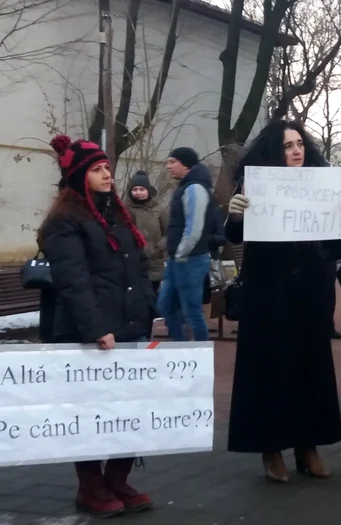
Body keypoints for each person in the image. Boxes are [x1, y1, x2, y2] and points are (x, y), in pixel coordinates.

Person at [225, 120, 341, 483]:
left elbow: (335, 247)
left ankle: (307, 445)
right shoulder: (257, 186)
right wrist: (235, 214)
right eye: (287, 146)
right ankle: (271, 449)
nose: (297, 150)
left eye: (300, 143)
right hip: (267, 292)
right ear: (272, 152)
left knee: (309, 368)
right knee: (269, 370)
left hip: (311, 292)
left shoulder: (322, 187)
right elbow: (236, 236)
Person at [38, 135, 155, 517]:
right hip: (90, 334)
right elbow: (72, 280)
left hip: (129, 328)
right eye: (98, 169)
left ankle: (117, 479)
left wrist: (146, 310)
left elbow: (138, 267)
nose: (108, 175)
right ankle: (90, 487)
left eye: (107, 168)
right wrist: (95, 328)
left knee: (131, 409)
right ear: (78, 177)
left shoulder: (120, 214)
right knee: (89, 413)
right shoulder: (64, 222)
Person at [157, 147, 218, 342]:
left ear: (186, 164)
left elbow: (194, 228)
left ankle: (200, 355)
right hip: (178, 260)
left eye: (172, 162)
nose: (168, 166)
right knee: (165, 305)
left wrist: (181, 253)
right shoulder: (186, 187)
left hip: (190, 260)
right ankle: (181, 347)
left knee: (192, 312)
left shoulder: (195, 189)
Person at [125, 170, 167, 337]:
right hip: (134, 264)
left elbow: (169, 232)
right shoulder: (125, 209)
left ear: (148, 190)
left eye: (142, 189)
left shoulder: (160, 209)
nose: (138, 193)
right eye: (135, 190)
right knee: (136, 304)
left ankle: (148, 336)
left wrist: (158, 248)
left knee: (151, 303)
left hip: (155, 264)